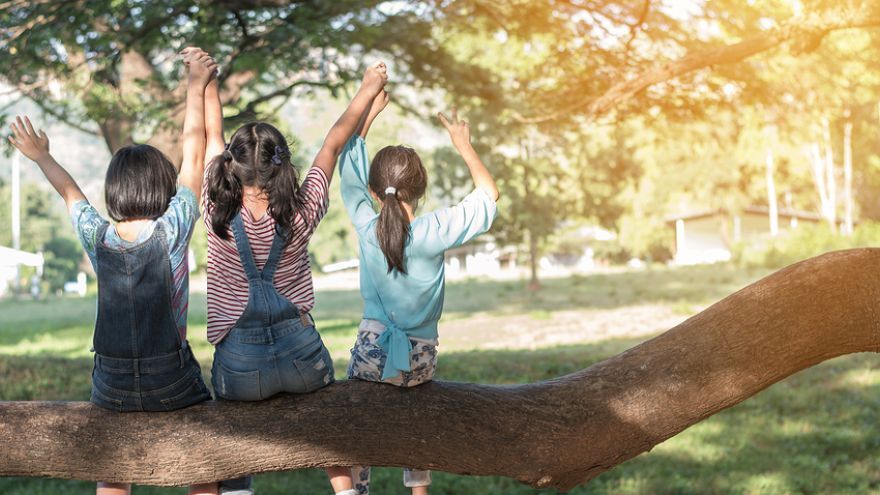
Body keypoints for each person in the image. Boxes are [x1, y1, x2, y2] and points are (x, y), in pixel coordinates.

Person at [7, 49, 219, 495]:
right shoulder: (174, 227)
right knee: (200, 460)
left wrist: (41, 155)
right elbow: (195, 153)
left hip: (111, 383)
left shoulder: (96, 235)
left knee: (112, 467)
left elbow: (69, 191)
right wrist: (195, 86)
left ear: (115, 191)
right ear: (163, 188)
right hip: (171, 379)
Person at [199, 56, 389, 495]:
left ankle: (239, 490)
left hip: (240, 369)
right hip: (303, 359)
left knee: (234, 428)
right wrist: (367, 87)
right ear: (282, 166)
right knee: (329, 423)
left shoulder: (216, 213)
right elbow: (333, 144)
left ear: (230, 167)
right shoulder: (302, 211)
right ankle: (346, 491)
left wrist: (208, 81)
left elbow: (211, 135)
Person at [340, 92, 500, 495]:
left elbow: (347, 170)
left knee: (351, 425)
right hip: (420, 360)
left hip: (372, 354)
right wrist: (464, 145)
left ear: (376, 193)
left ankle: (356, 491)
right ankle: (418, 491)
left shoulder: (366, 225)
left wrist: (369, 116)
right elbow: (488, 195)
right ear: (421, 189)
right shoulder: (436, 229)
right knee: (417, 415)